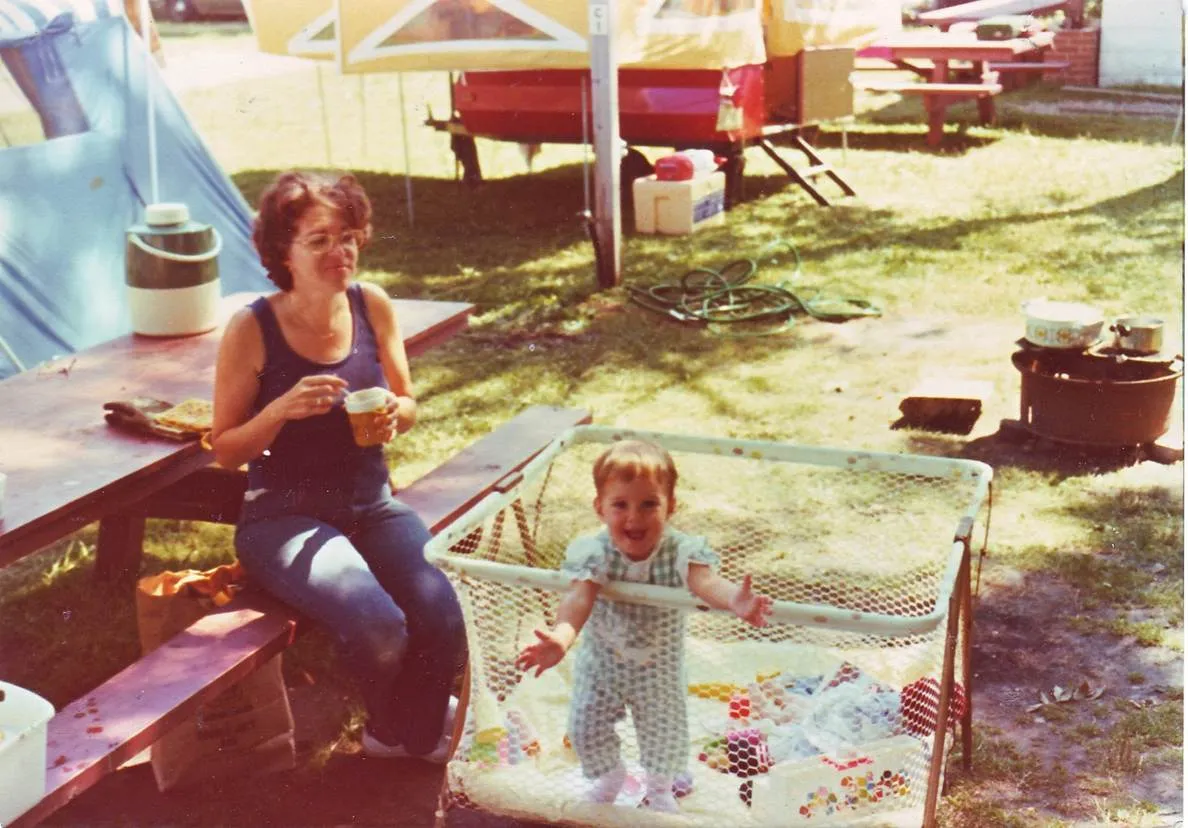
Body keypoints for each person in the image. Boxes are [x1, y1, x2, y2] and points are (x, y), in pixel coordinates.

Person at [211, 170, 465, 763]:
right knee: (378, 626)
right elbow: (224, 447)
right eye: (319, 239)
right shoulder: (252, 327)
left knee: (444, 611)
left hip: (371, 504)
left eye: (348, 236)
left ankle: (402, 731)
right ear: (283, 252)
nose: (340, 252)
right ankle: (404, 725)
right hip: (284, 519)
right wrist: (278, 410)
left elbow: (407, 400)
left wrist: (395, 417)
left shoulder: (370, 303)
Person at [515, 440, 773, 812]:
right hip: (602, 665)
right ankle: (609, 777)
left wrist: (735, 600)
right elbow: (578, 598)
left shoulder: (680, 550)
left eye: (649, 504)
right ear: (600, 508)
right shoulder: (595, 551)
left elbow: (706, 582)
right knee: (585, 728)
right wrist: (561, 637)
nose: (633, 518)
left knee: (664, 734)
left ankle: (660, 789)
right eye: (620, 505)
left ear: (671, 507)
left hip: (659, 668)